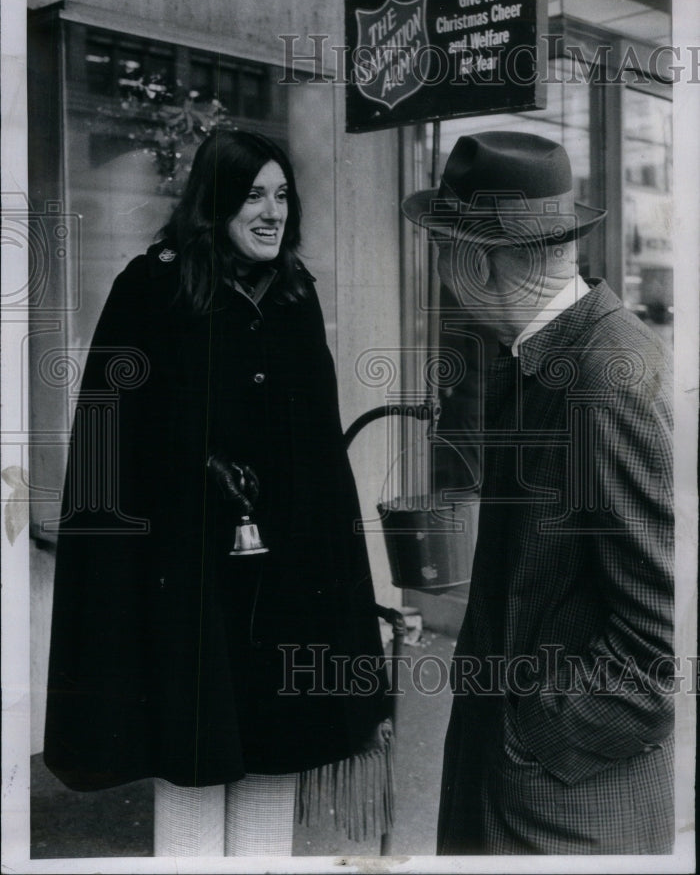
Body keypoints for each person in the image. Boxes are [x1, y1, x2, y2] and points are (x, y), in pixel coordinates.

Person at [44, 129, 391, 856]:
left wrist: (344, 603)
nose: (272, 212)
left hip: (283, 590)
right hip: (187, 589)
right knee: (193, 772)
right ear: (215, 202)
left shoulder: (294, 296)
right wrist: (190, 467)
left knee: (272, 765)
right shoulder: (152, 289)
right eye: (253, 195)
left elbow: (325, 458)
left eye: (282, 195)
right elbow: (107, 440)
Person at [402, 131, 674, 855]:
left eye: (441, 249)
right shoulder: (546, 356)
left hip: (561, 818)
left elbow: (654, 660)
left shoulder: (604, 378)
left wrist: (525, 740)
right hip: (530, 799)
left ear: (475, 261)